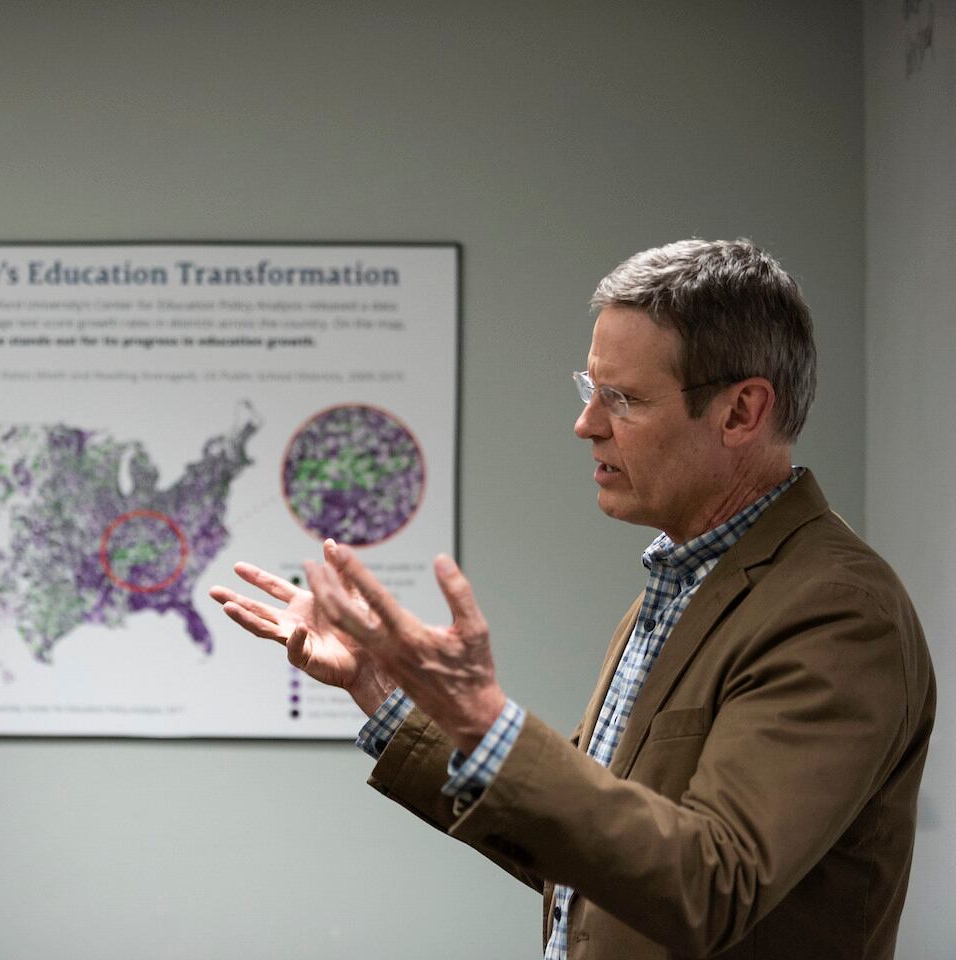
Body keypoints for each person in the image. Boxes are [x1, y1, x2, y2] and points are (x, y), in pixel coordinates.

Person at [211, 239, 935, 960]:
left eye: (623, 399)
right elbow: (582, 858)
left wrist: (488, 721)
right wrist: (383, 689)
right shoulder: (682, 586)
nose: (586, 424)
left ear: (741, 412)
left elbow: (712, 886)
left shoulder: (837, 612)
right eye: (591, 390)